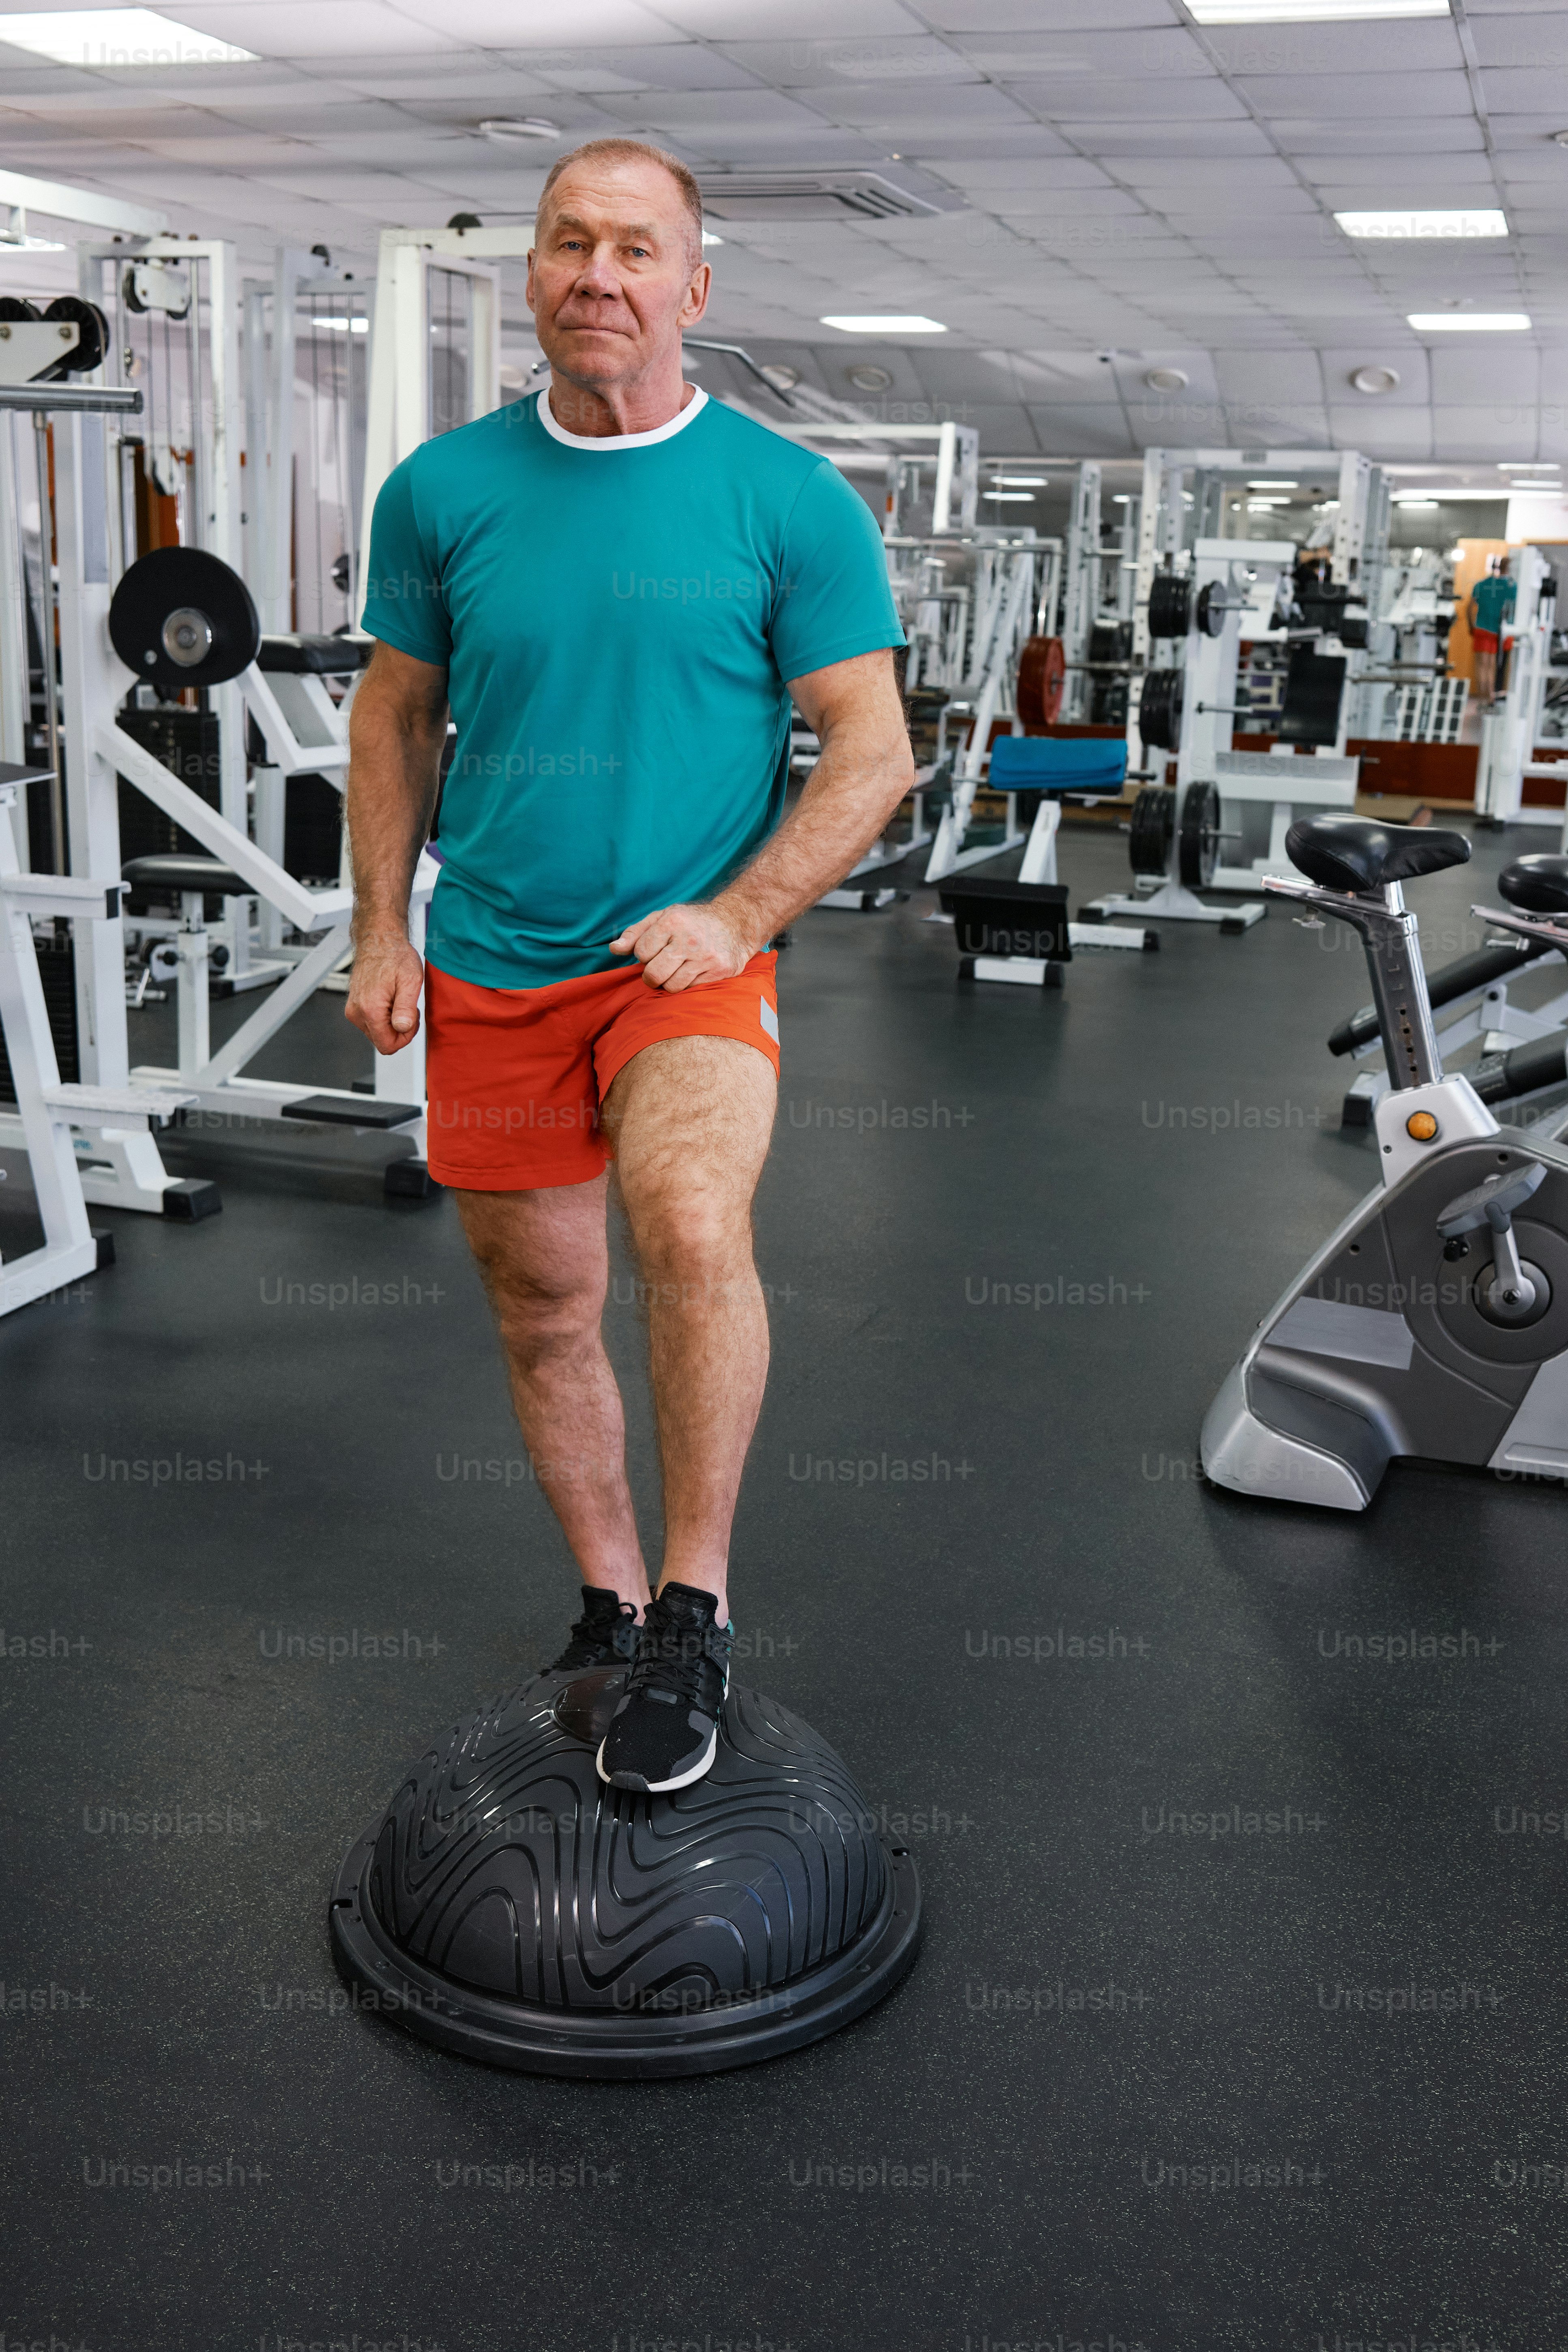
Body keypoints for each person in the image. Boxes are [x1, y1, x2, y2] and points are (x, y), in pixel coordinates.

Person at [343, 138, 912, 1795]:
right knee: (542, 1306)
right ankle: (603, 1597)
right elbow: (392, 710)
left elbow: (870, 752)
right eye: (569, 244)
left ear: (694, 288)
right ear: (531, 275)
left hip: (682, 967)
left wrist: (736, 918)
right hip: (499, 957)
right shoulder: (443, 489)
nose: (601, 275)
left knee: (683, 1218)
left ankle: (694, 1607)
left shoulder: (786, 498)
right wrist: (382, 923)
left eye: (637, 250)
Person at [1468, 555, 1515, 707]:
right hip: (1498, 632)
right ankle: (1490, 698)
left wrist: (1471, 626)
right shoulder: (1511, 587)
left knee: (1482, 667)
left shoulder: (1482, 584)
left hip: (1481, 629)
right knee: (1492, 667)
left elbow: (1469, 608)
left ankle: (1481, 700)